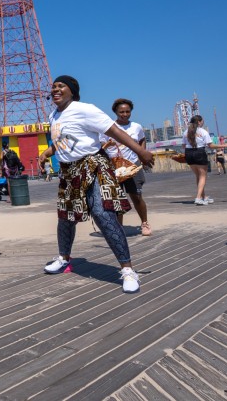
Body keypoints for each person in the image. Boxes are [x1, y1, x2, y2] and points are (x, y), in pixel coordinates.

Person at [37, 76, 153, 293]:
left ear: (72, 91)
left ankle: (127, 270)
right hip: (69, 171)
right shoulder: (54, 115)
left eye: (61, 86)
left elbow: (113, 130)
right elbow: (63, 141)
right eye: (53, 87)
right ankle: (64, 258)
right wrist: (46, 152)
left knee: (103, 214)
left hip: (93, 166)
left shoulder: (85, 109)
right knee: (66, 217)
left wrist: (140, 151)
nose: (55, 89)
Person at [100, 98, 151, 236]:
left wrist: (142, 155)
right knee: (116, 199)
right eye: (121, 112)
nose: (125, 114)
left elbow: (141, 140)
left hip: (133, 165)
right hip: (114, 167)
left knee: (136, 196)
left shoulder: (136, 127)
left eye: (127, 111)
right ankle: (118, 227)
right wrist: (107, 145)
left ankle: (144, 223)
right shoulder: (108, 128)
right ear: (115, 112)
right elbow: (100, 148)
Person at [182, 115, 227, 205]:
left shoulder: (186, 132)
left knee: (198, 176)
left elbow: (183, 146)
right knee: (203, 176)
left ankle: (203, 197)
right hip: (199, 152)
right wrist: (225, 145)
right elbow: (211, 146)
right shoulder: (203, 131)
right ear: (199, 122)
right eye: (202, 121)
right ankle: (198, 198)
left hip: (188, 153)